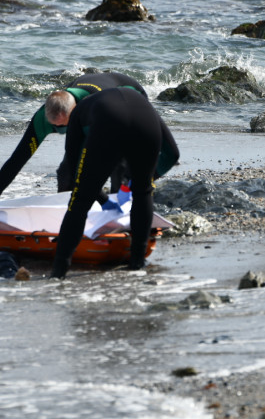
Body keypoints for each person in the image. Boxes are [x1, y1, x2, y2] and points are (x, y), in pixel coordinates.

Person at [47, 86, 179, 279]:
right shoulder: (141, 102)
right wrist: (143, 179)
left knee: (80, 201)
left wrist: (96, 195)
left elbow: (74, 168)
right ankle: (137, 264)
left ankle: (58, 273)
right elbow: (173, 154)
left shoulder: (79, 113)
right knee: (143, 192)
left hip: (109, 123)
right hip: (146, 122)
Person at [0, 72, 146, 213]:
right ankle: (67, 215)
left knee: (116, 167)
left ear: (75, 113)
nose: (58, 128)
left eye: (63, 125)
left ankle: (122, 215)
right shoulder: (42, 118)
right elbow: (19, 157)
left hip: (128, 98)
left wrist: (107, 197)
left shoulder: (95, 109)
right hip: (86, 108)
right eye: (54, 126)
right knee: (66, 174)